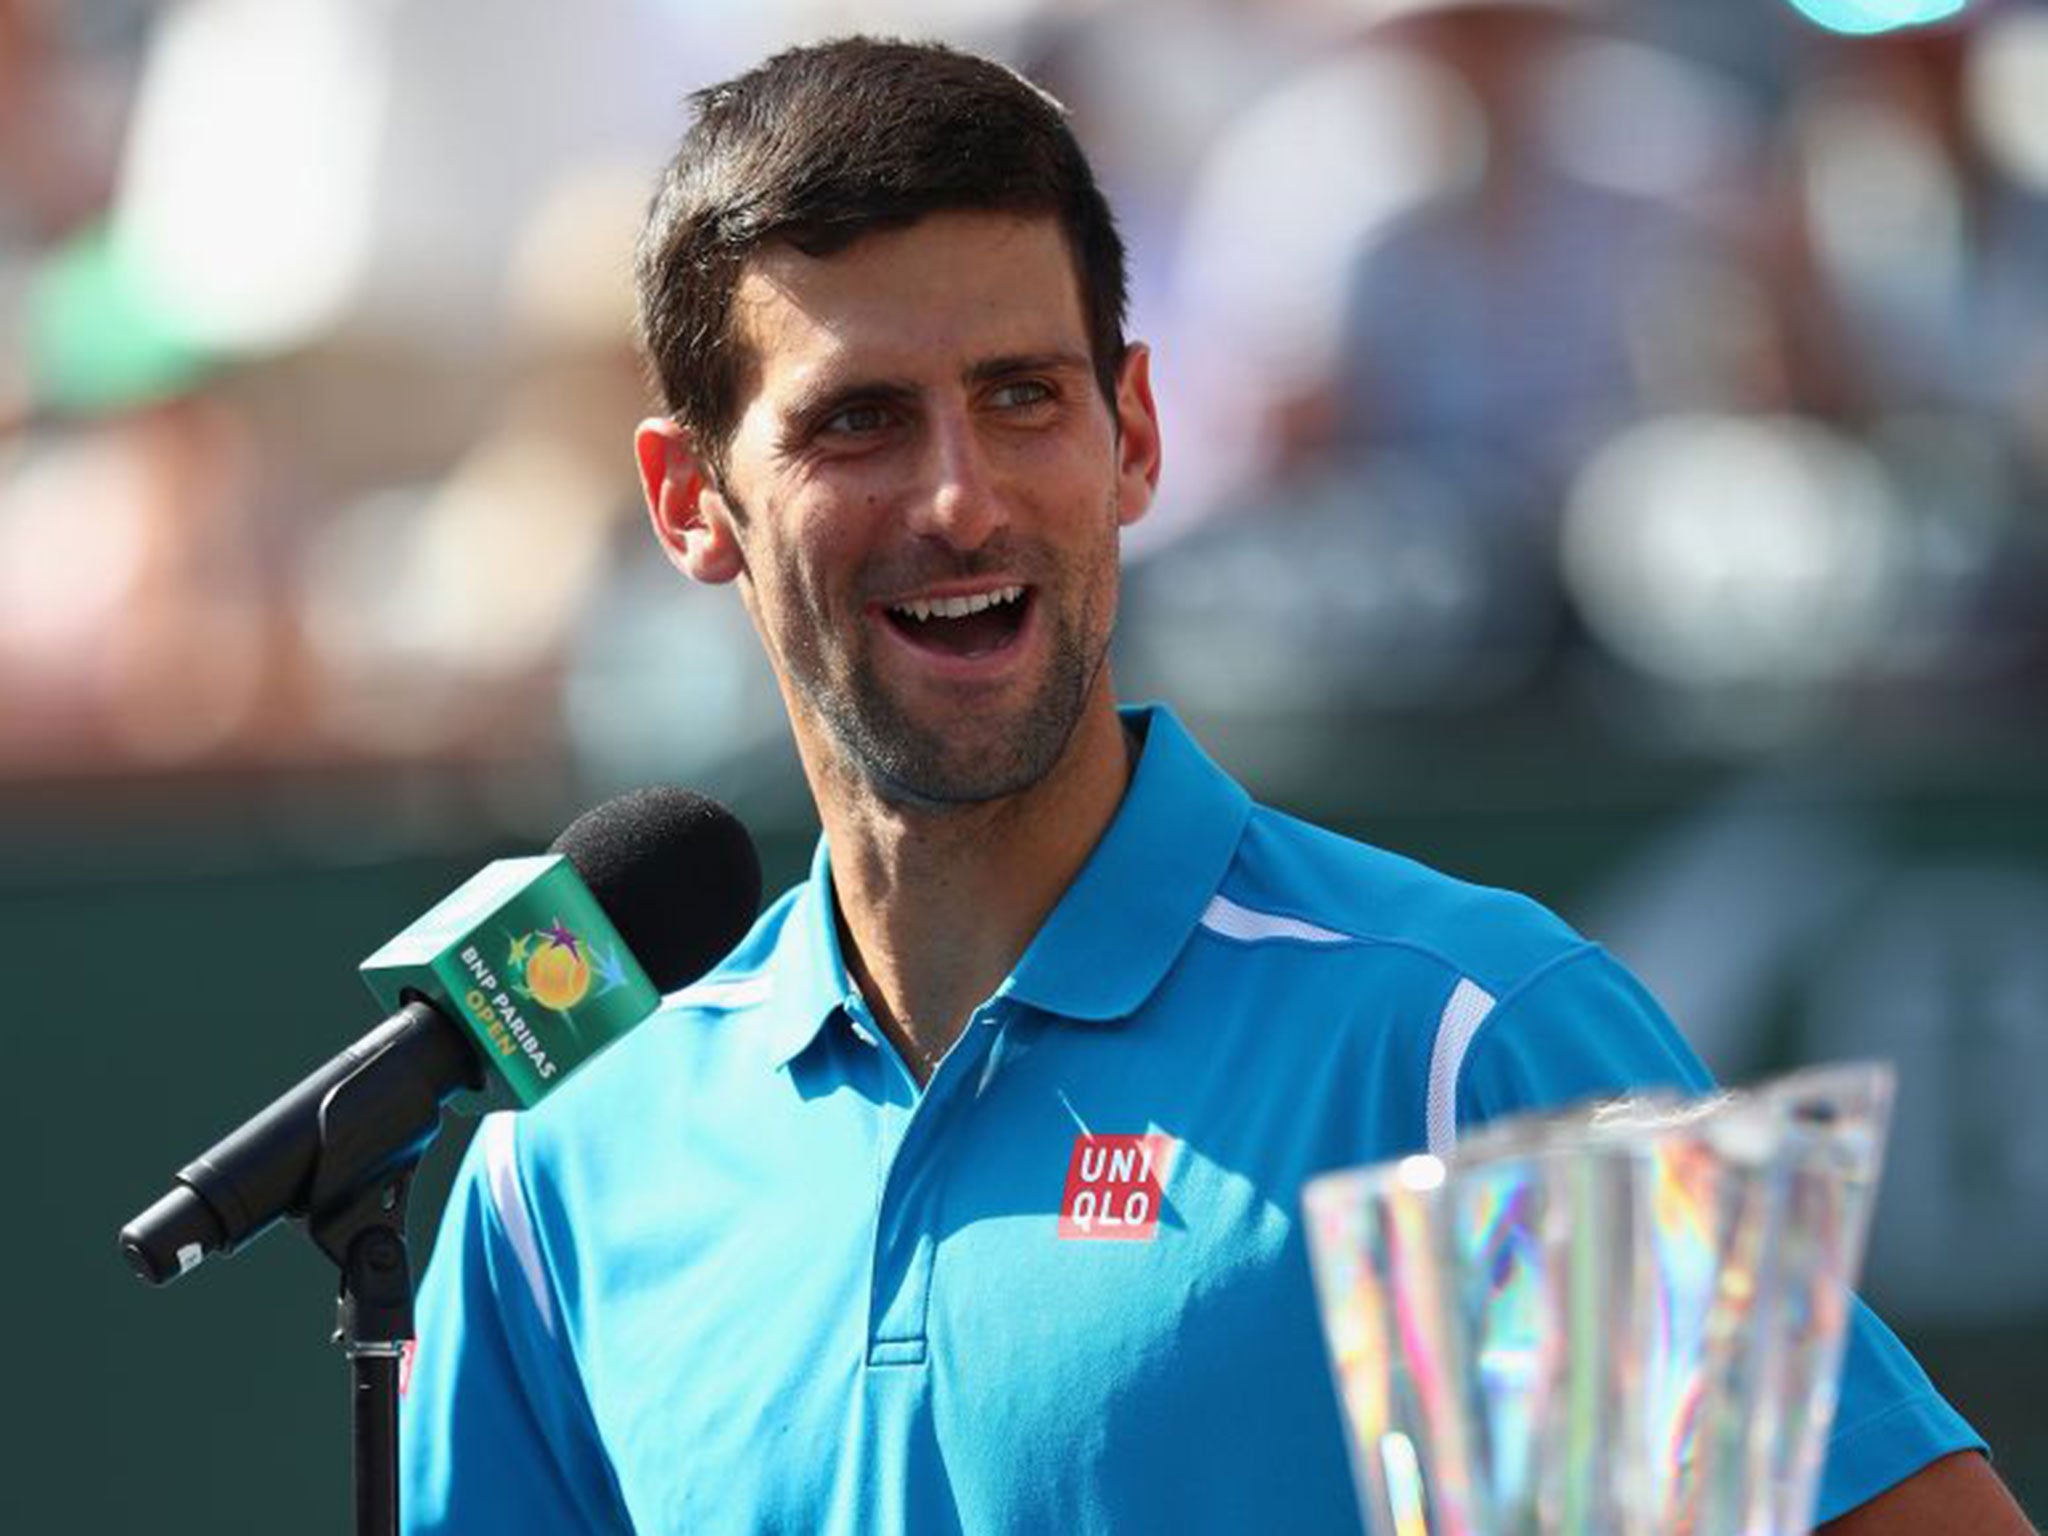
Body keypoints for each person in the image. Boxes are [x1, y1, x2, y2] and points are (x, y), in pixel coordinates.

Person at [400, 38, 2030, 1535]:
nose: (962, 497)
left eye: (1023, 397)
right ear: (691, 501)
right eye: (862, 423)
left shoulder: (1460, 1047)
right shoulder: (564, 1178)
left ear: (1135, 435)